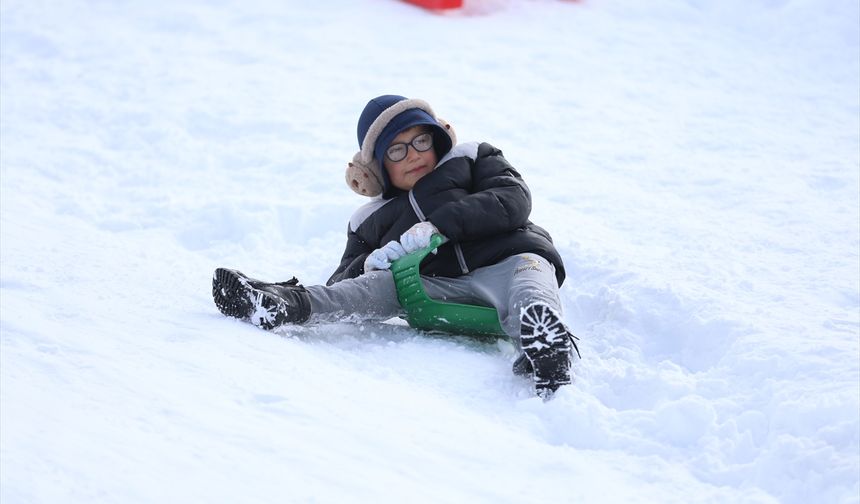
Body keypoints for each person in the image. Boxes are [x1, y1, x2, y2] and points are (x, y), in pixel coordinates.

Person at [212, 94, 580, 398]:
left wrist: (438, 226)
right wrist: (374, 262)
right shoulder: (369, 219)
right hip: (435, 289)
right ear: (375, 169)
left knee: (530, 279)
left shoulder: (471, 158)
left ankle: (545, 345)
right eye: (398, 151)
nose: (415, 154)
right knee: (376, 286)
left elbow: (512, 198)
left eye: (421, 141)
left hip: (507, 260)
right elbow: (347, 279)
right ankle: (283, 304)